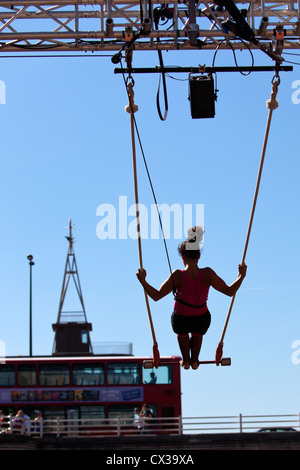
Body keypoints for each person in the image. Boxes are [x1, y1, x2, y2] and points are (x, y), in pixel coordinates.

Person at [136, 226, 247, 370]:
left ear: (182, 257)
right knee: (197, 333)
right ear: (199, 256)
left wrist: (143, 281)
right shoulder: (207, 274)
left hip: (181, 320)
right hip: (201, 320)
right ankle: (194, 361)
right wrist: (241, 276)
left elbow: (156, 296)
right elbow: (229, 291)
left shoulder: (177, 275)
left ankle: (186, 361)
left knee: (181, 333)